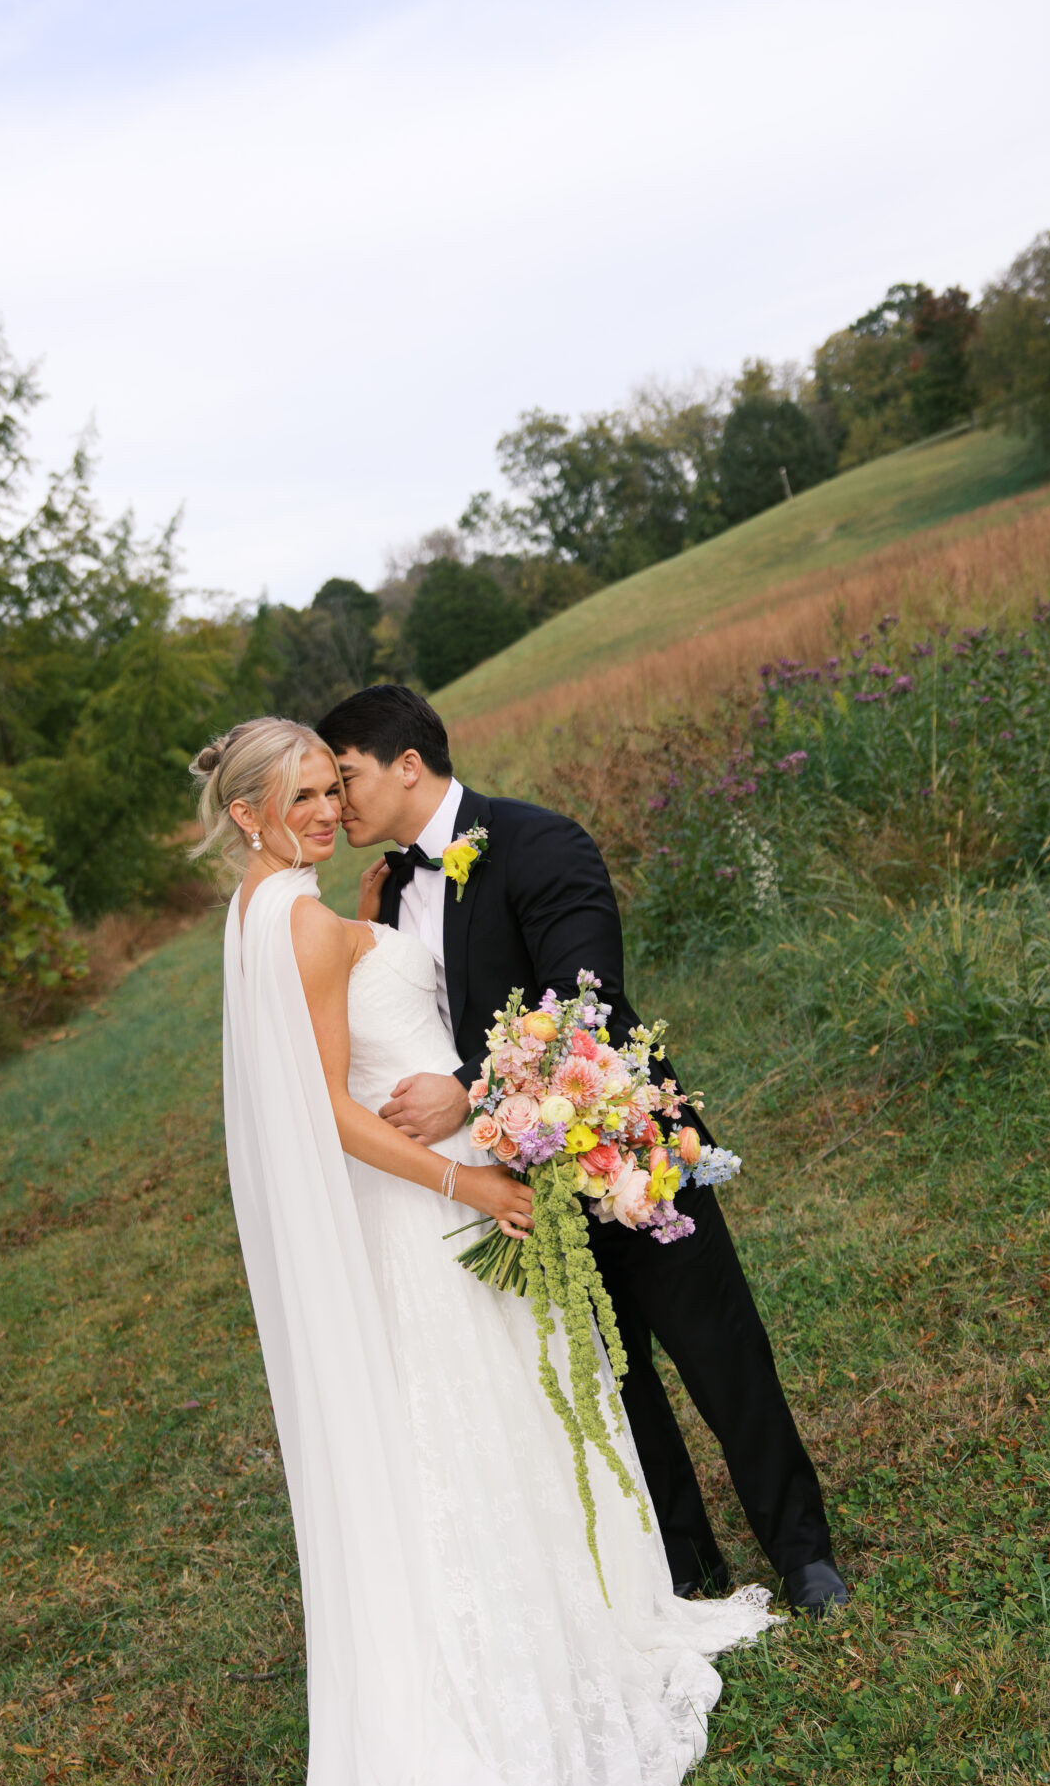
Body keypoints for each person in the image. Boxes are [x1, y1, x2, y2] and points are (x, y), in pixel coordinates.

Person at [122, 717, 771, 1786]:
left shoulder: (278, 910)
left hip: (431, 1195)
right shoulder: (298, 918)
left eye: (333, 786)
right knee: (476, 1440)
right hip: (420, 1215)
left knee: (502, 1438)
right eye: (305, 795)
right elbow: (328, 1114)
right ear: (261, 815)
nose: (331, 808)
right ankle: (537, 1651)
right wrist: (472, 1172)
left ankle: (586, 1601)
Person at [315, 682, 848, 1618]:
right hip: (511, 1180)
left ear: (407, 765)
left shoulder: (540, 842)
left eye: (345, 777)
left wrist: (468, 1089)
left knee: (718, 1350)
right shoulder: (389, 886)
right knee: (610, 1370)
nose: (336, 801)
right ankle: (683, 1561)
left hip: (620, 1140)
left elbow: (583, 1001)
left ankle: (802, 1554)